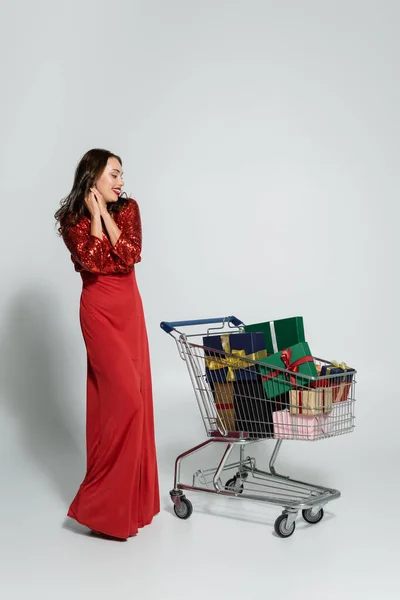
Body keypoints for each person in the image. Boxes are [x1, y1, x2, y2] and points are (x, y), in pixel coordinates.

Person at [55, 148, 160, 540]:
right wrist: (97, 216)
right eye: (113, 174)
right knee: (123, 400)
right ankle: (101, 507)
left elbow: (132, 254)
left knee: (134, 399)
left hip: (129, 310)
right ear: (93, 176)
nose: (120, 182)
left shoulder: (129, 208)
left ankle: (127, 506)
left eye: (121, 175)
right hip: (99, 312)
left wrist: (109, 217)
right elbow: (97, 262)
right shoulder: (71, 220)